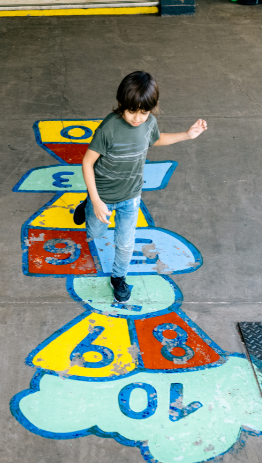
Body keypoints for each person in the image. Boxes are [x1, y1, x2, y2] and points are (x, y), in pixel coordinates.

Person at [73, 71, 207, 302]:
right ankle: (86, 204)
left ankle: (119, 278)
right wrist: (95, 200)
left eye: (144, 112)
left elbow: (155, 139)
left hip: (131, 196)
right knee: (95, 233)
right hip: (103, 195)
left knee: (125, 244)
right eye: (132, 111)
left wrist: (187, 134)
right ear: (121, 104)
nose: (137, 118)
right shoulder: (108, 129)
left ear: (151, 109)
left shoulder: (148, 123)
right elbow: (87, 161)